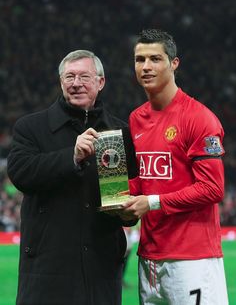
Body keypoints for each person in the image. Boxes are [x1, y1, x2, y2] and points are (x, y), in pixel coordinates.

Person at [7, 49, 137, 305]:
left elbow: (125, 192)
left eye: (84, 77)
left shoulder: (120, 132)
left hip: (102, 267)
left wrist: (128, 212)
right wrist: (72, 157)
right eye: (69, 77)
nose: (76, 83)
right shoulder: (31, 127)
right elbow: (21, 173)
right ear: (60, 82)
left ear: (100, 82)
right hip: (48, 268)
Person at [123, 29, 229, 305]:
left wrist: (152, 202)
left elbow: (213, 189)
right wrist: (114, 191)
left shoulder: (199, 118)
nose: (146, 67)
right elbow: (141, 182)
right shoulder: (135, 119)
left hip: (192, 259)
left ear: (174, 63)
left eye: (155, 59)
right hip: (149, 259)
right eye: (139, 59)